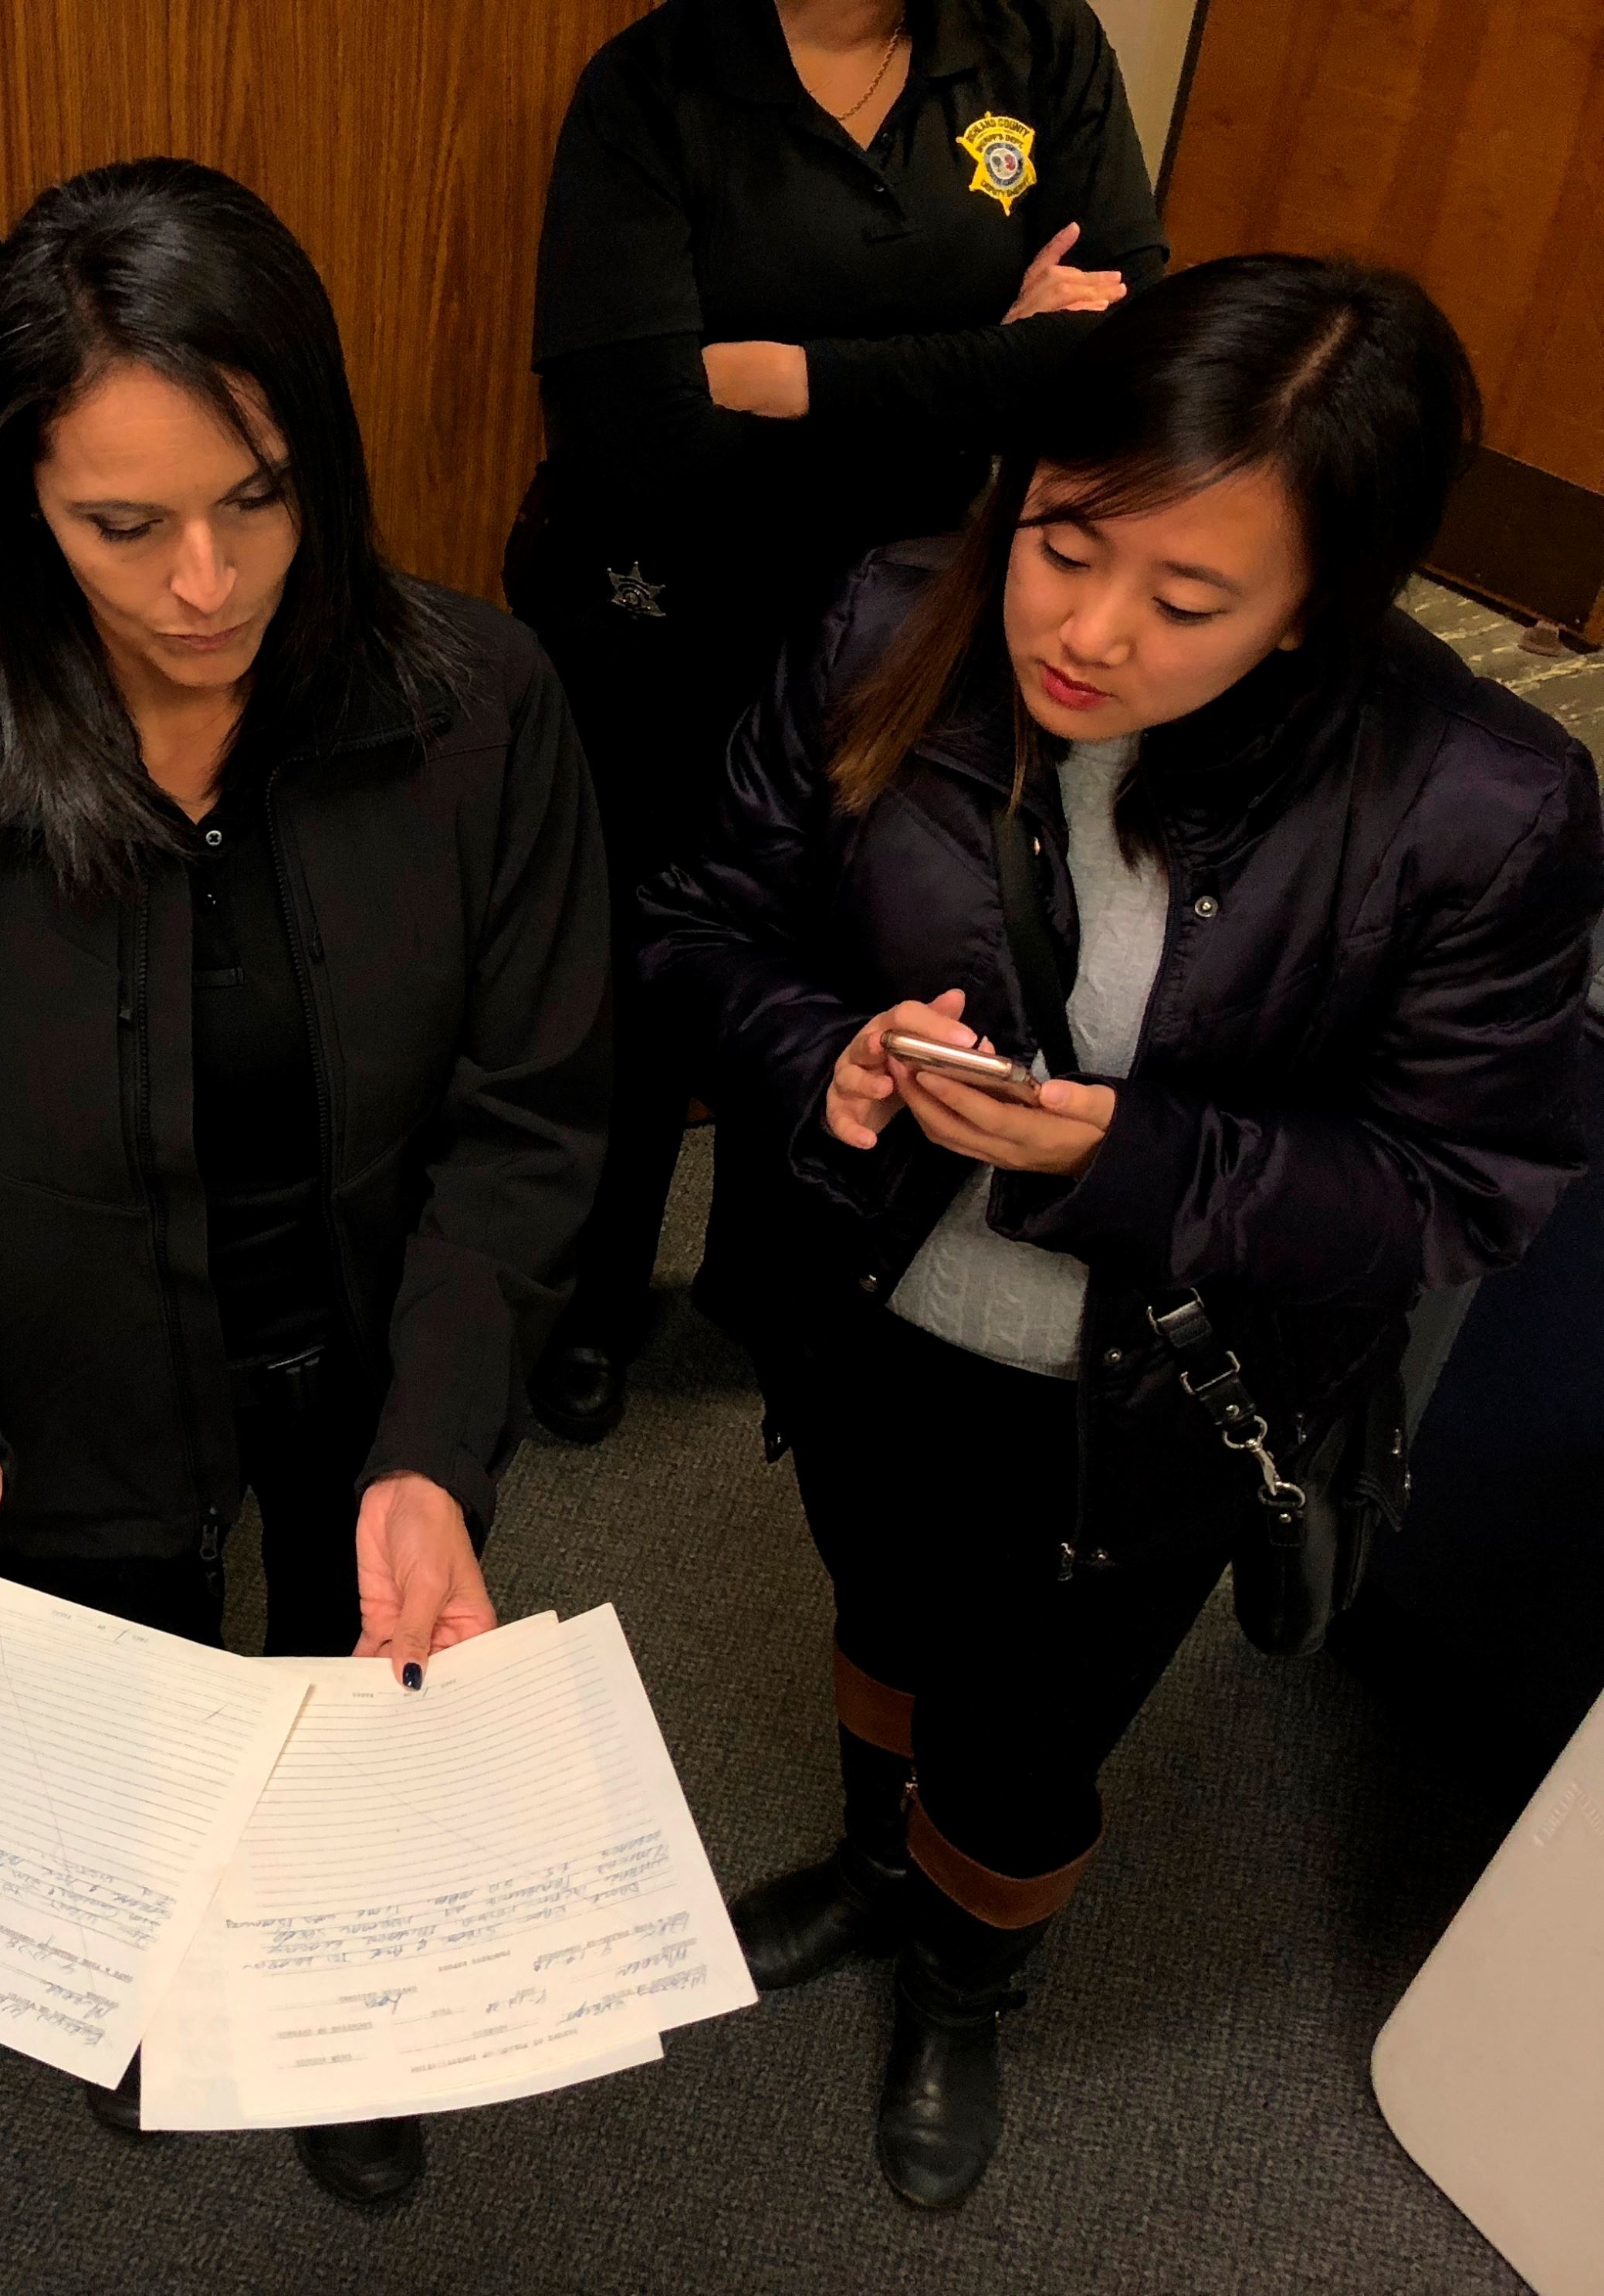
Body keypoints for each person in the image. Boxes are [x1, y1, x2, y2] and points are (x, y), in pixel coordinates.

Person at [642, 255, 1604, 2208]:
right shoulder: (886, 616)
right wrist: (820, 1051)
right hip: (879, 1298)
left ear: (1317, 604)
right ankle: (867, 1855)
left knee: (1035, 1727)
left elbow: (1463, 1181)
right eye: (1066, 542)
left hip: (1158, 1392)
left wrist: (1133, 1155)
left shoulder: (1479, 800)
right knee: (886, 1607)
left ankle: (970, 1976)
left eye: (1188, 601)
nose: (1084, 634)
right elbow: (696, 924)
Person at [0, 160, 610, 2209]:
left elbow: (530, 1113)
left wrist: (434, 1434)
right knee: (121, 1693)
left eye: (255, 500)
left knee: (356, 1657)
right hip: (63, 1375)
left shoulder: (474, 708)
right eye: (120, 527)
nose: (204, 585)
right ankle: (149, 1965)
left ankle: (330, 1998)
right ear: (13, 513)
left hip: (362, 1317)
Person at [510, 0, 1165, 1444]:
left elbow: (1113, 350)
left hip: (919, 612)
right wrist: (981, 354)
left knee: (847, 940)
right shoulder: (650, 84)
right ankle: (589, 1297)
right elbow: (635, 426)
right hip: (672, 603)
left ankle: (768, 1275)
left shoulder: (1036, 46)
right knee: (638, 955)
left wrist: (774, 369)